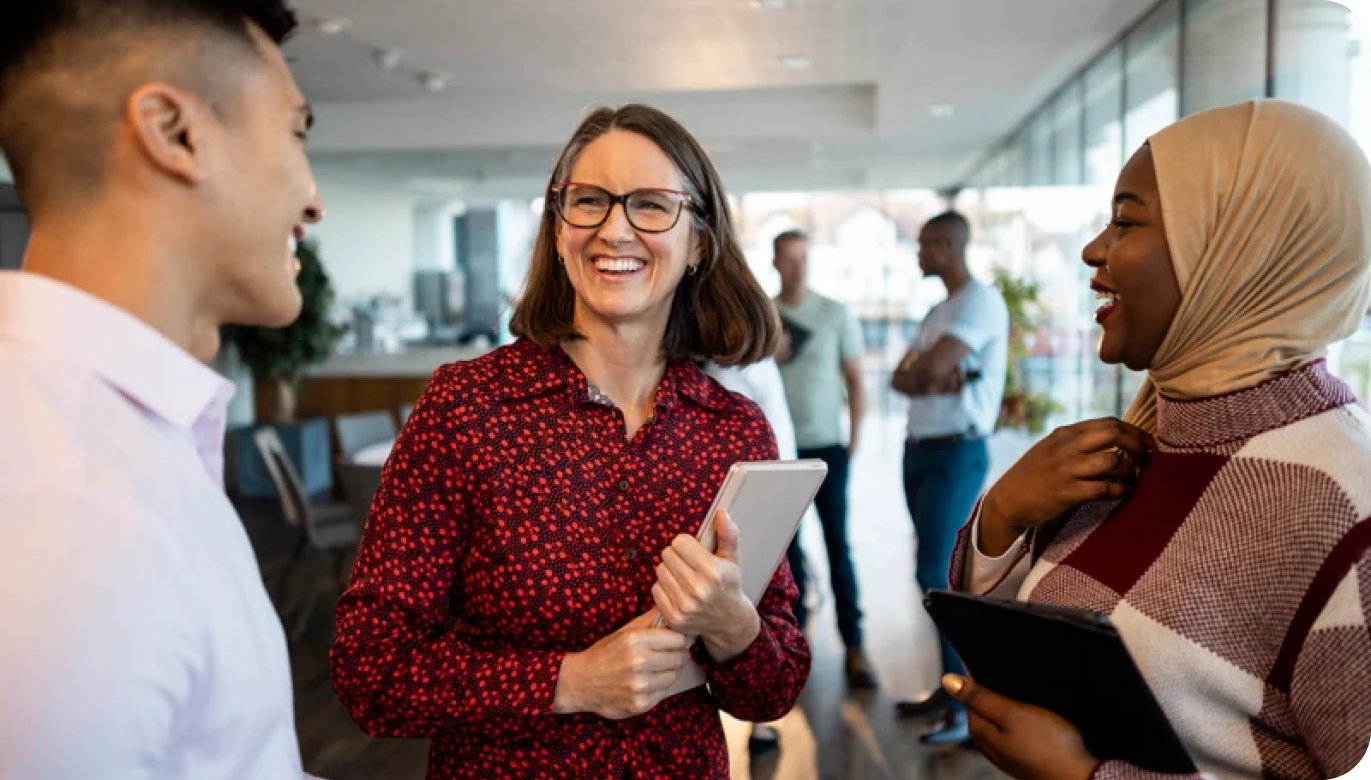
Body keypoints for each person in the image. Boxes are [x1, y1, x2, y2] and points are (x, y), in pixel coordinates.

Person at [330, 104, 810, 780]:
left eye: (650, 205)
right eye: (587, 201)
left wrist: (732, 625)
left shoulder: (732, 428)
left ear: (699, 242)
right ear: (558, 231)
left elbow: (773, 689)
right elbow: (369, 669)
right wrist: (571, 681)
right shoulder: (466, 408)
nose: (614, 228)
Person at [939, 100, 1371, 780]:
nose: (1090, 249)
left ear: (1236, 249)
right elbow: (1033, 638)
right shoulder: (1144, 439)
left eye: (1126, 220)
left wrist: (1086, 778)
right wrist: (1001, 517)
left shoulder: (1342, 512)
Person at [0, 1, 325, 778]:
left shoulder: (121, 442)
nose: (313, 200)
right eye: (294, 131)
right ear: (175, 133)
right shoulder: (72, 504)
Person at [890, 211, 1008, 744]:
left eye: (922, 245)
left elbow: (929, 371)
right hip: (919, 451)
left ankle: (967, 708)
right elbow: (902, 377)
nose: (917, 254)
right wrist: (924, 374)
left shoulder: (979, 301)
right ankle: (950, 686)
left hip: (955, 453)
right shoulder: (940, 309)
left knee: (939, 573)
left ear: (944, 246)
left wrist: (927, 374)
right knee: (931, 571)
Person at [773, 229, 878, 689]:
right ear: (776, 263)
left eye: (804, 258)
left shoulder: (834, 314)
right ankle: (792, 648)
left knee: (838, 546)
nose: (798, 267)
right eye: (790, 259)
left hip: (826, 447)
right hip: (776, 453)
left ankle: (855, 646)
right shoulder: (763, 316)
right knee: (786, 554)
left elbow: (855, 378)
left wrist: (853, 440)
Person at [701, 352, 800, 757]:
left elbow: (778, 440)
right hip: (728, 497)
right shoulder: (701, 370)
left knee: (759, 600)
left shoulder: (750, 369)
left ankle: (762, 725)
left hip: (761, 494)